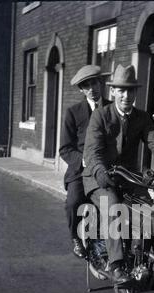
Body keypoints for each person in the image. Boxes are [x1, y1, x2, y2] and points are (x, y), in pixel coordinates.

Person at [82, 64, 154, 284]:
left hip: (128, 177)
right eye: (121, 90)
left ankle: (146, 259)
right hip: (99, 177)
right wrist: (100, 171)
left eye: (130, 91)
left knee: (149, 209)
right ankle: (117, 264)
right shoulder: (100, 116)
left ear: (136, 92)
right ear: (113, 92)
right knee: (112, 206)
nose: (126, 95)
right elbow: (92, 152)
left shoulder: (142, 117)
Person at [59, 65, 111, 258]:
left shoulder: (112, 109)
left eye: (94, 83)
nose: (92, 89)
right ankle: (76, 238)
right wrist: (83, 161)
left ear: (101, 83)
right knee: (73, 202)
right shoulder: (73, 112)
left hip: (106, 169)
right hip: (80, 171)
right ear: (81, 90)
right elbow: (65, 148)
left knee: (118, 205)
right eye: (86, 86)